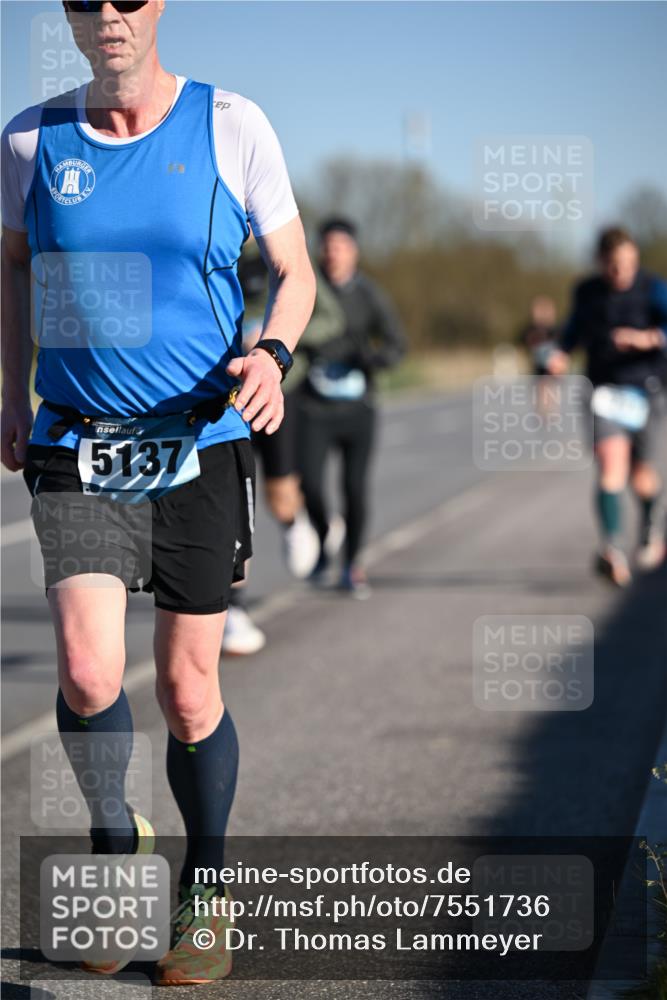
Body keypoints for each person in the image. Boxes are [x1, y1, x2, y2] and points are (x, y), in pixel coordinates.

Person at [1, 0, 315, 985]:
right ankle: (115, 841)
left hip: (200, 444)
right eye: (87, 0)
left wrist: (271, 352)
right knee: (91, 674)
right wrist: (11, 389)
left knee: (187, 691)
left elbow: (294, 271)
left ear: (159, 4)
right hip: (77, 443)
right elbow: (10, 273)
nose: (109, 16)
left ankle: (206, 892)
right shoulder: (29, 138)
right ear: (67, 13)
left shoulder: (232, 123)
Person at [222, 239, 346, 654]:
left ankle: (295, 524)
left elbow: (328, 318)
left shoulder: (285, 253)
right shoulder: (215, 250)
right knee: (235, 505)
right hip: (225, 399)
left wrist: (275, 340)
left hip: (277, 393)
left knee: (279, 496)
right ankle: (233, 608)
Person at [547, 227, 667, 586]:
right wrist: (561, 354)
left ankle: (650, 524)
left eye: (629, 264)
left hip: (647, 390)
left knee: (641, 475)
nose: (622, 273)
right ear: (601, 263)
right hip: (604, 392)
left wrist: (648, 338)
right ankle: (612, 549)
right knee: (610, 466)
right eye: (615, 266)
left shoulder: (653, 287)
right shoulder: (587, 292)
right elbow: (572, 331)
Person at [297, 217, 407, 598]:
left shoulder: (369, 295)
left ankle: (352, 564)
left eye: (340, 246)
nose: (332, 253)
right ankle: (326, 537)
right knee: (308, 483)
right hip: (314, 407)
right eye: (326, 247)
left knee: (354, 489)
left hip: (358, 408)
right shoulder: (307, 289)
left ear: (353, 251)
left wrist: (368, 359)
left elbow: (397, 345)